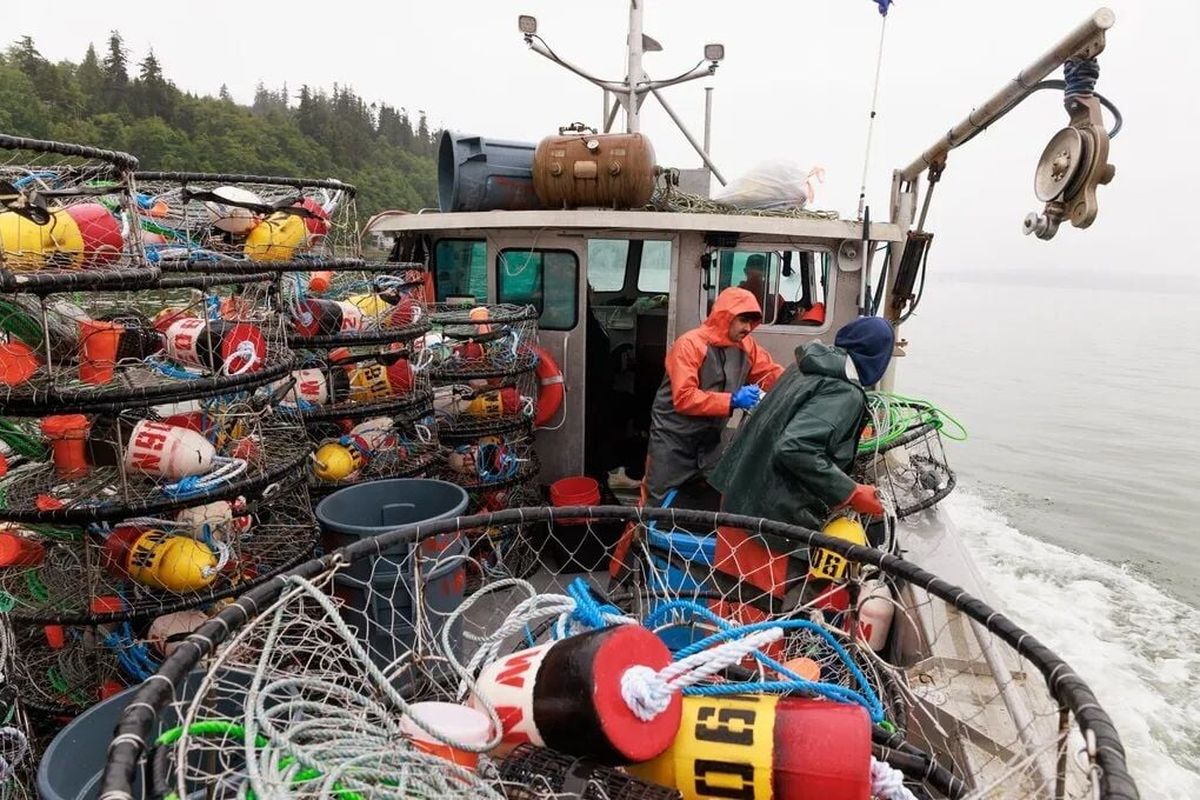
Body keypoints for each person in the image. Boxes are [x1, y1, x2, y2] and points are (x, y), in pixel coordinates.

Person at [710, 316, 895, 528]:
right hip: (766, 520)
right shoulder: (844, 391)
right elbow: (794, 448)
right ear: (877, 358)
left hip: (737, 496)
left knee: (728, 562)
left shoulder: (806, 365)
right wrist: (851, 492)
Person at [643, 287, 784, 509]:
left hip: (712, 443)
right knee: (654, 504)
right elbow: (684, 397)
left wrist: (802, 385)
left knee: (710, 500)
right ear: (725, 316)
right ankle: (637, 543)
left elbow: (771, 374)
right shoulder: (689, 345)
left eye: (752, 322)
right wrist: (732, 400)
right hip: (673, 442)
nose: (748, 328)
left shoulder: (746, 346)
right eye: (743, 320)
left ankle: (688, 543)